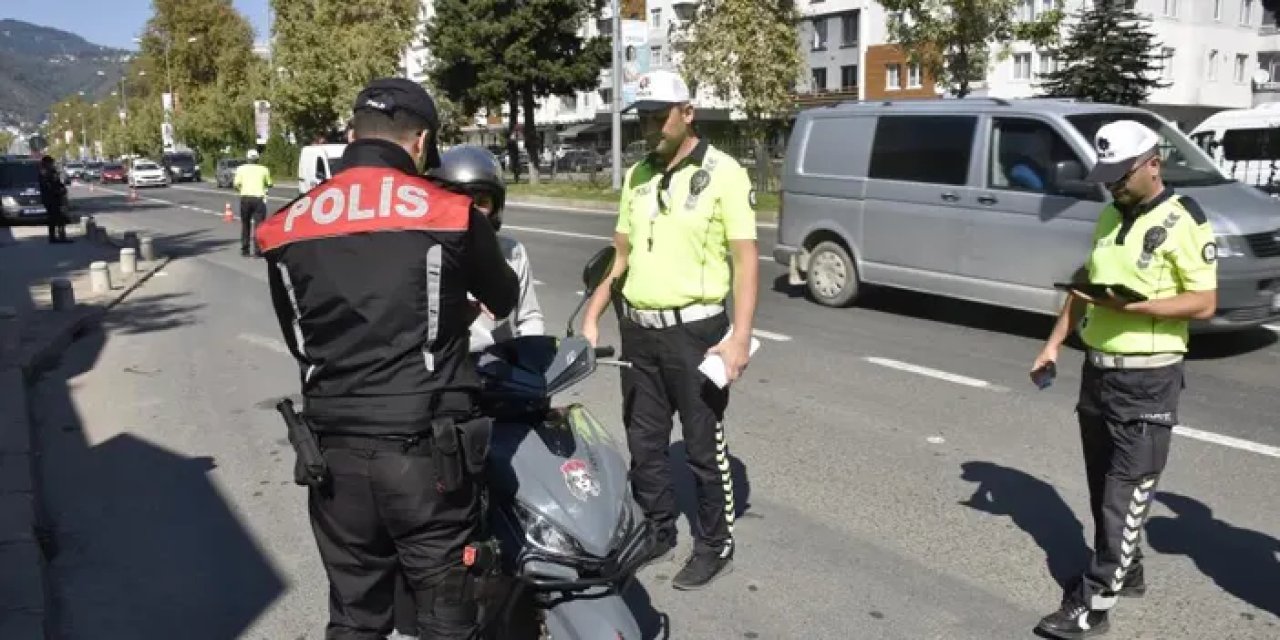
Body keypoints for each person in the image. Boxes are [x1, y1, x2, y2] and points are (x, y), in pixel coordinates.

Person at [254, 77, 519, 640]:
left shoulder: (286, 225)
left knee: (355, 617)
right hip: (428, 458)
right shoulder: (451, 213)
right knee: (448, 615)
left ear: (352, 135)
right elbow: (503, 297)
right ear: (420, 141)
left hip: (332, 458)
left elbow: (300, 337)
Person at [1030, 120, 1218, 639]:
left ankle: (1094, 606)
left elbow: (1204, 302)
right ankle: (1125, 569)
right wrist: (1053, 343)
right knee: (1101, 487)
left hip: (1148, 380)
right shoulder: (1110, 215)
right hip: (1099, 374)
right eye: (1107, 175)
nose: (1112, 185)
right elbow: (1086, 285)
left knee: (1124, 495)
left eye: (1121, 175)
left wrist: (1132, 308)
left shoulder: (1184, 220)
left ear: (1153, 164)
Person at [580, 69, 759, 590]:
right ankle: (658, 529)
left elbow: (746, 261)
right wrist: (592, 317)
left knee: (703, 447)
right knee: (645, 442)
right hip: (639, 330)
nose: (651, 127)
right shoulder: (637, 176)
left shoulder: (724, 172)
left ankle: (714, 544)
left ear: (688, 112)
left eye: (661, 116)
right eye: (643, 118)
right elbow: (620, 257)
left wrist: (740, 337)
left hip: (697, 332)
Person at [234, 149, 273, 257]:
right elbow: (269, 183)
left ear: (247, 159)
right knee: (259, 225)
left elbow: (236, 184)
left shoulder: (241, 169)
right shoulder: (264, 169)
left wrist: (242, 189)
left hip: (245, 198)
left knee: (245, 224)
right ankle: (258, 250)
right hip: (259, 199)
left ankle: (245, 250)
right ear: (257, 159)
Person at [38, 156, 70, 243]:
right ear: (47, 163)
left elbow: (58, 182)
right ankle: (54, 237)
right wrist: (58, 191)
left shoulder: (53, 171)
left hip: (56, 198)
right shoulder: (44, 173)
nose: (53, 164)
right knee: (54, 218)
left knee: (59, 217)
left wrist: (63, 188)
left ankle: (60, 236)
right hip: (50, 199)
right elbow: (48, 186)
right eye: (51, 163)